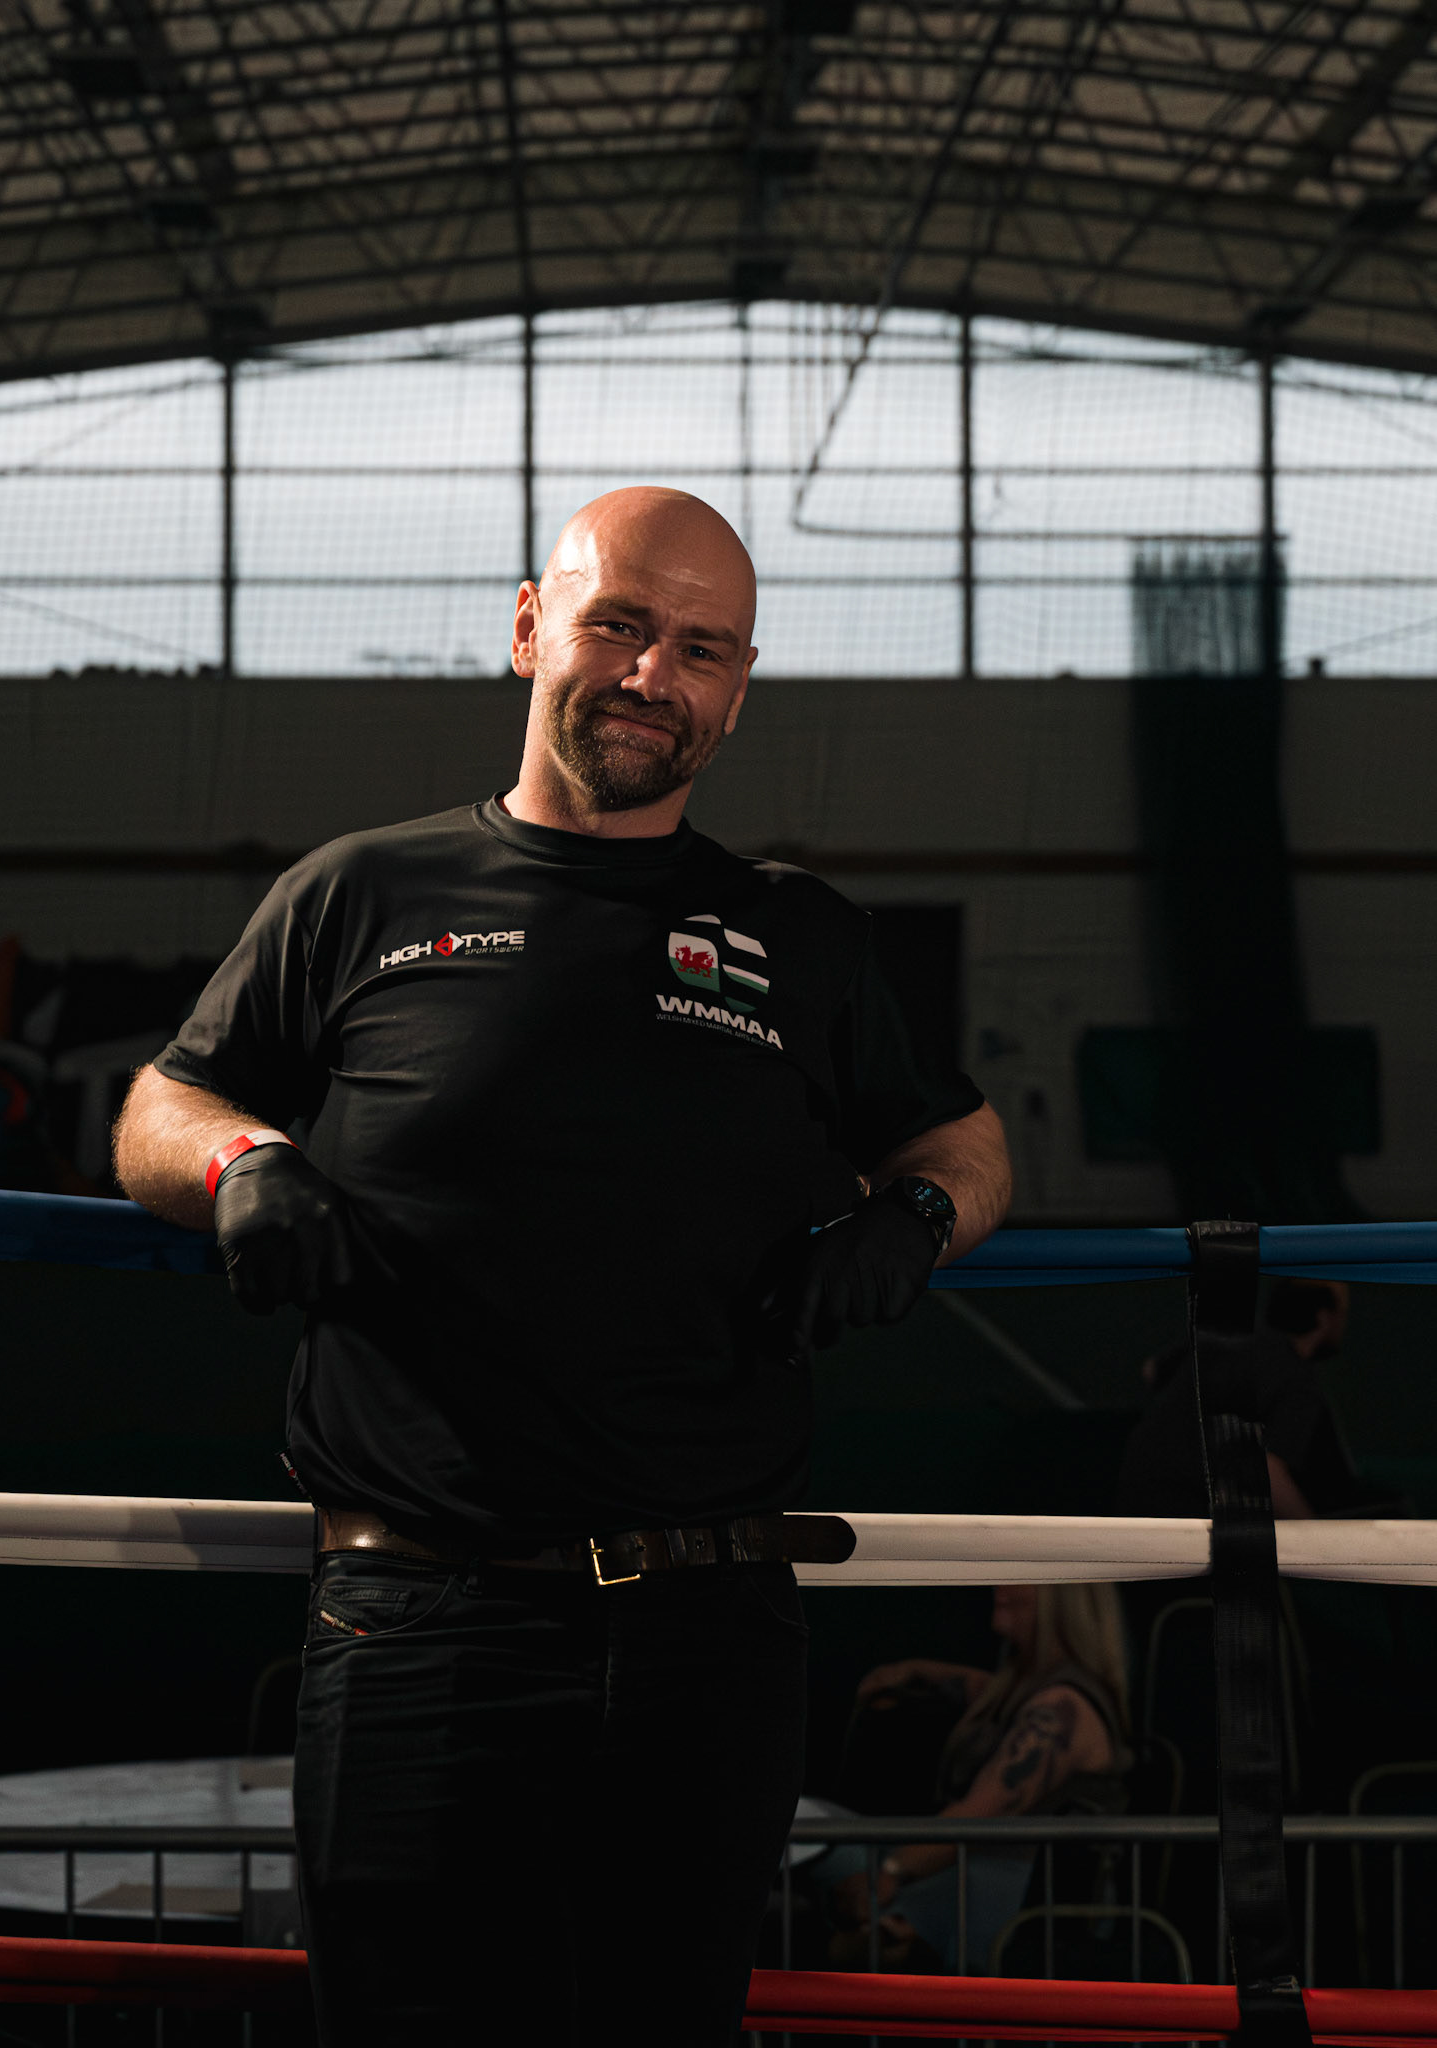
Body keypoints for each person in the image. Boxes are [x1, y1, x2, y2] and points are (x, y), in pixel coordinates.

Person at [113, 487, 1012, 2046]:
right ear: (531, 627)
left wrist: (916, 1218)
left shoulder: (797, 934)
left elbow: (966, 1139)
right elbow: (161, 1108)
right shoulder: (360, 892)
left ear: (737, 690)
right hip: (421, 1616)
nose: (653, 675)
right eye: (618, 625)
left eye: (701, 649)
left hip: (709, 1628)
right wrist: (242, 1164)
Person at [827, 1583, 1132, 1973]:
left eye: (1020, 1574)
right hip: (981, 1883)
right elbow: (980, 1687)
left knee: (830, 1873)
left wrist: (889, 1873)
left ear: (1061, 1595)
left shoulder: (1063, 1707)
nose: (1000, 1585)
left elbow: (980, 1813)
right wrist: (915, 1671)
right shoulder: (1026, 1686)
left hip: (1016, 1903)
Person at [1114, 1280, 1365, 1518]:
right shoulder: (1297, 1379)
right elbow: (1269, 1473)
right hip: (1188, 1516)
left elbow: (1151, 1370)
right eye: (1342, 1312)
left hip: (1132, 1497)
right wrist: (1318, 1538)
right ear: (1324, 1317)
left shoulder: (1230, 1338)